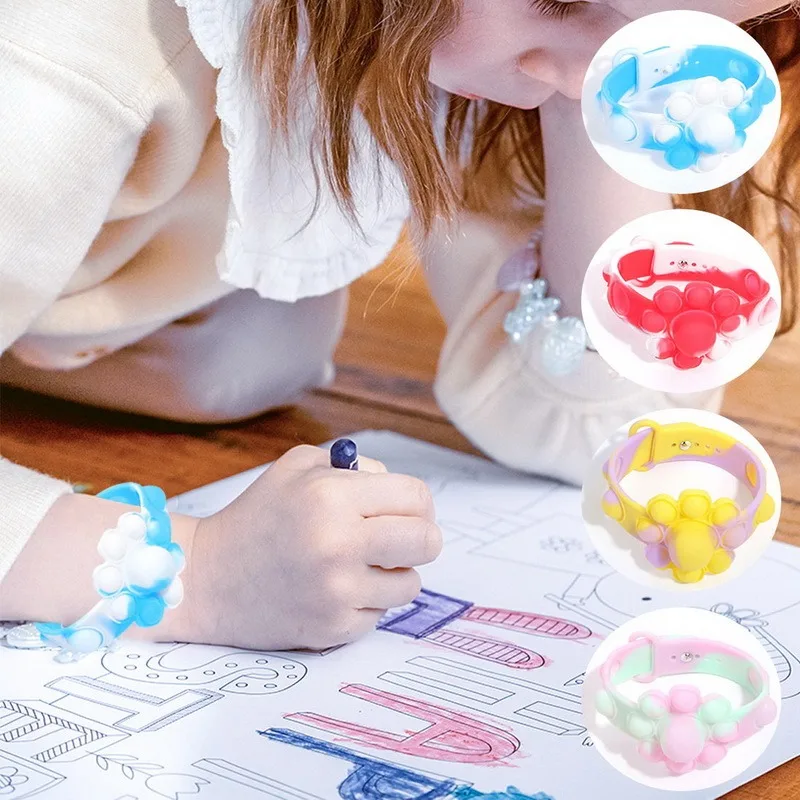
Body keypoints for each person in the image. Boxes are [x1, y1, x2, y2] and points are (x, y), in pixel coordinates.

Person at [1, 0, 797, 651]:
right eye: (562, 1)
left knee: (252, 357)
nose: (596, 73)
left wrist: (602, 112)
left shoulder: (499, 51)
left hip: (85, 308)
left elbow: (604, 438)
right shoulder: (54, 72)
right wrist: (195, 573)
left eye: (678, 40)